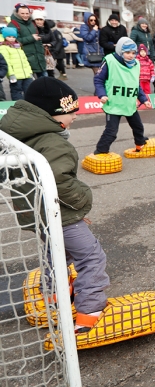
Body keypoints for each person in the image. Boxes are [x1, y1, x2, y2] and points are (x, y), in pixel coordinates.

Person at [0, 78, 111, 333]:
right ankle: (90, 311)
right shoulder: (53, 142)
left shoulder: (18, 135)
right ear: (55, 113)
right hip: (59, 213)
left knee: (57, 252)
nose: (74, 117)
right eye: (72, 113)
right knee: (91, 257)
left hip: (35, 213)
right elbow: (60, 182)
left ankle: (53, 294)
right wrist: (83, 200)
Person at [93, 37, 152, 154]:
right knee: (111, 132)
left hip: (129, 103)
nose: (131, 55)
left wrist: (144, 99)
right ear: (120, 51)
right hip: (114, 103)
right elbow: (98, 80)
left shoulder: (136, 64)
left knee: (138, 127)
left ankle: (140, 144)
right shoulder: (110, 60)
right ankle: (100, 151)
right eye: (127, 52)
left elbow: (136, 84)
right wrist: (102, 95)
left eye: (133, 53)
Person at [9, 4, 47, 78]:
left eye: (27, 13)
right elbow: (15, 41)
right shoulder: (13, 24)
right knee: (30, 84)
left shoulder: (32, 23)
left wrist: (42, 51)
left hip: (39, 58)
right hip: (26, 59)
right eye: (22, 13)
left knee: (45, 82)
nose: (25, 15)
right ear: (17, 13)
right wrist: (31, 38)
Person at [0, 27, 33, 100]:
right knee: (16, 92)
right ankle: (19, 107)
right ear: (5, 37)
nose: (12, 38)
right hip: (15, 76)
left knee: (29, 91)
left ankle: (29, 106)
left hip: (26, 74)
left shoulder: (18, 47)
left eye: (13, 37)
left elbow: (25, 61)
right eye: (9, 37)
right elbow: (6, 62)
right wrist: (11, 74)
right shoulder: (4, 48)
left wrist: (30, 72)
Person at [130, 18, 155, 92]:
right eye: (142, 23)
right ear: (139, 24)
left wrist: (153, 55)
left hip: (149, 54)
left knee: (151, 70)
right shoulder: (135, 32)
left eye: (145, 24)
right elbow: (131, 42)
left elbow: (151, 45)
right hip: (139, 53)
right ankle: (138, 89)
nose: (144, 25)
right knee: (141, 72)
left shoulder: (148, 33)